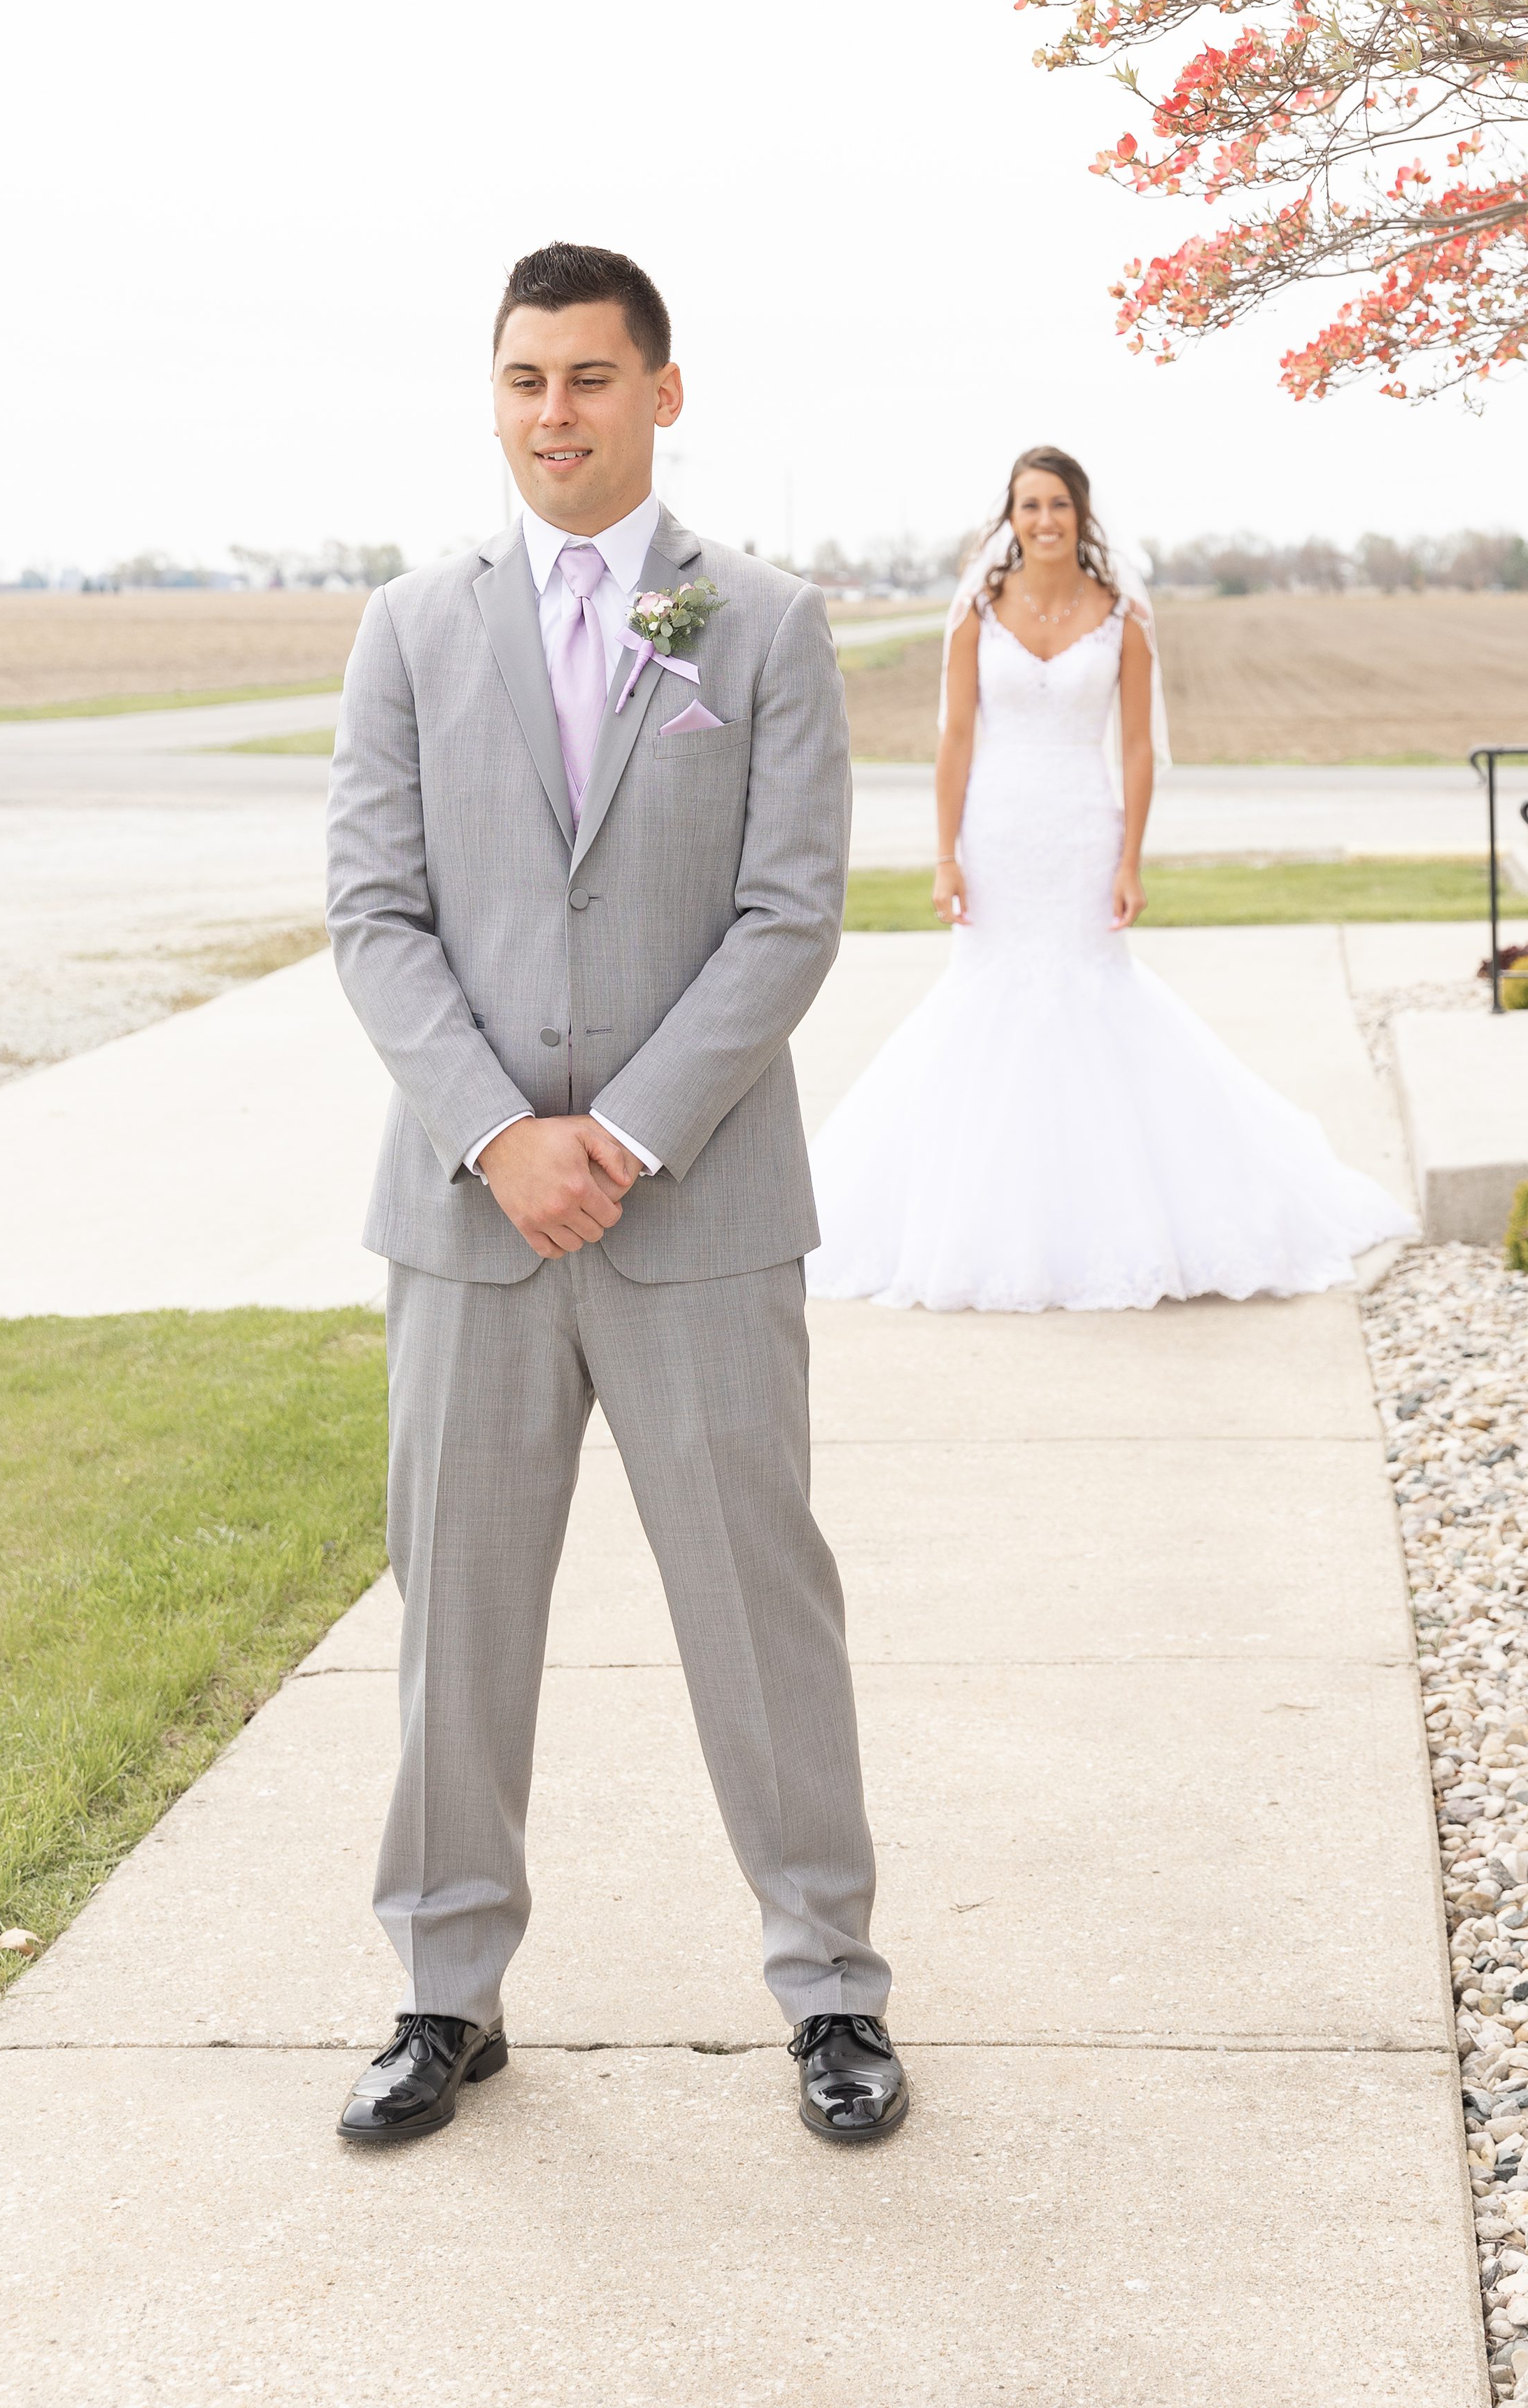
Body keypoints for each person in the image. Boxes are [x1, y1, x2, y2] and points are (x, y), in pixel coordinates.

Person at [324, 241, 906, 2151]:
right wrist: (504, 1134)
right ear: (493, 396)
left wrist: (625, 1133)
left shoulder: (761, 623)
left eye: (588, 377)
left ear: (664, 390)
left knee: (760, 1605)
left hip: (700, 1211)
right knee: (460, 1614)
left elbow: (788, 910)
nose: (553, 413)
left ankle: (829, 1986)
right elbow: (376, 913)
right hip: (468, 1218)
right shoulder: (410, 627)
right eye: (523, 379)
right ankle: (441, 1990)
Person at [807, 445, 1413, 1312]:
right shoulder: (975, 611)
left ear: (1081, 516)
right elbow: (954, 741)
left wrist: (1130, 856)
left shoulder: (1122, 614)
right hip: (997, 831)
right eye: (1029, 506)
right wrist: (945, 854)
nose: (1045, 521)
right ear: (1009, 520)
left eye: (1058, 505)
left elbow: (1134, 746)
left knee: (1094, 998)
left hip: (1083, 830)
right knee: (984, 1003)